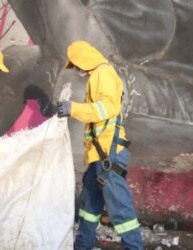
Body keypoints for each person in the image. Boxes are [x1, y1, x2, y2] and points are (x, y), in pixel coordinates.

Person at [57, 41, 143, 250]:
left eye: (76, 64)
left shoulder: (102, 74)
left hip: (109, 155)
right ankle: (82, 245)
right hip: (100, 156)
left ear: (83, 60)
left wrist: (73, 108)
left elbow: (107, 108)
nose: (76, 69)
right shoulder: (96, 76)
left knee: (120, 208)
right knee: (89, 206)